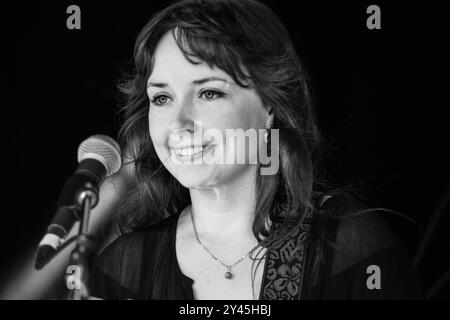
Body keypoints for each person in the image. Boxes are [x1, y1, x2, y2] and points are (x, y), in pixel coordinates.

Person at [89, 0, 423, 300]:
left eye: (209, 93)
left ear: (270, 107)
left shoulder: (348, 247)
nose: (179, 123)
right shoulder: (123, 268)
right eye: (162, 98)